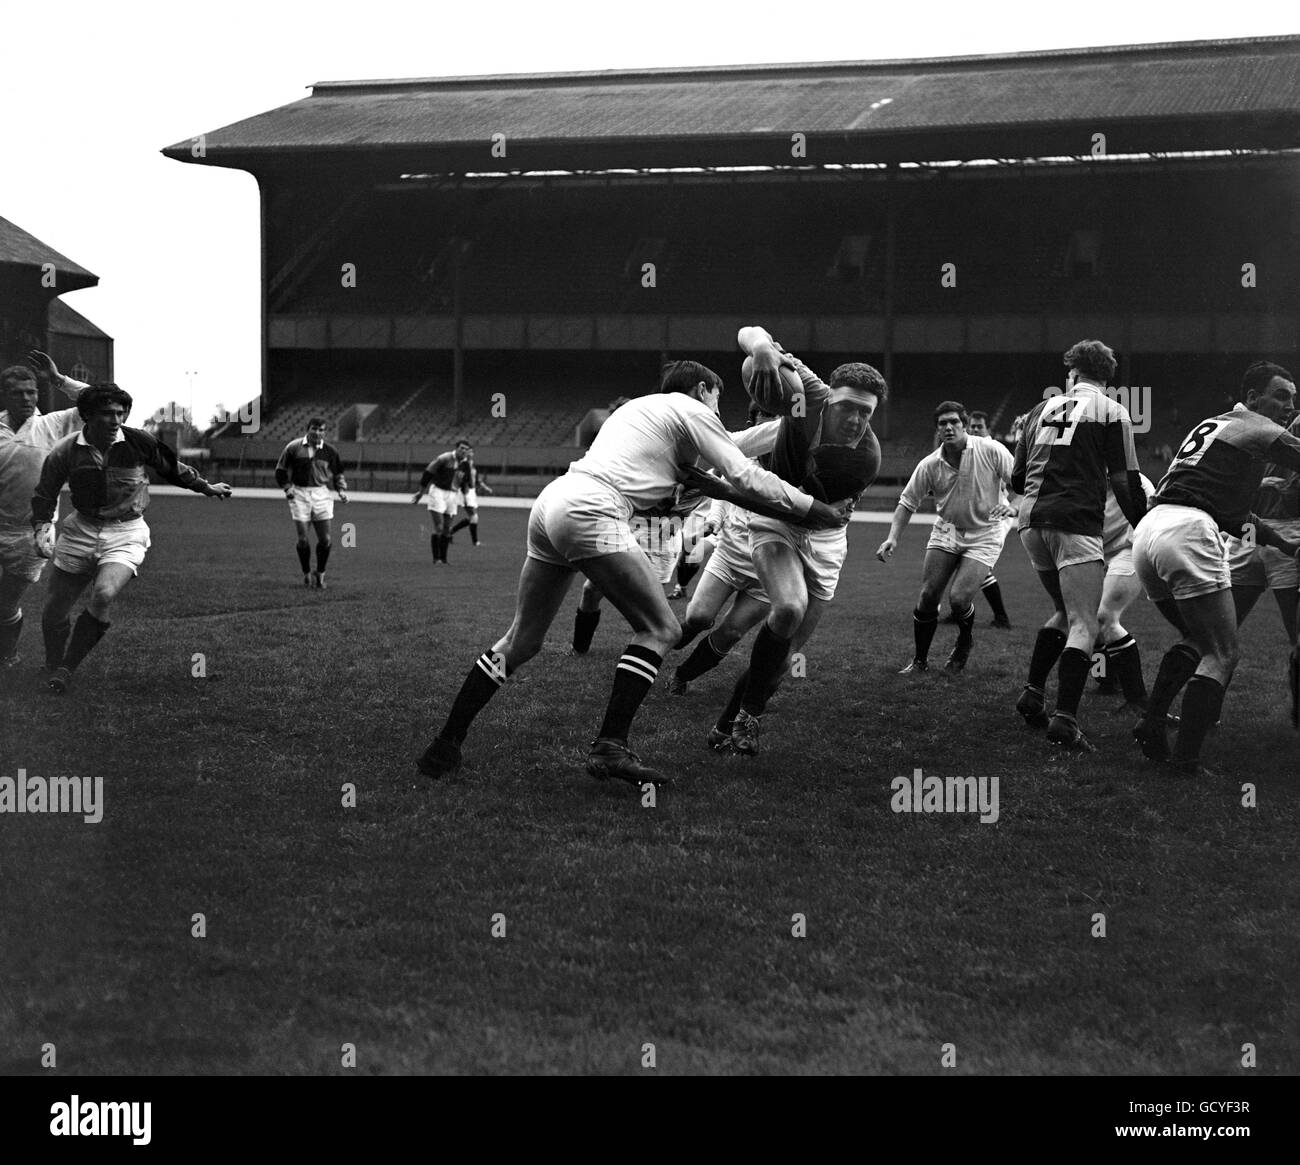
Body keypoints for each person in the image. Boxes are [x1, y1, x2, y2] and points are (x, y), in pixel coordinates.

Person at [415, 360, 848, 787]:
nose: (719, 410)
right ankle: (610, 746)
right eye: (718, 398)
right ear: (702, 389)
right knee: (661, 629)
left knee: (522, 640)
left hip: (553, 504)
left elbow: (739, 443)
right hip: (594, 511)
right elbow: (742, 471)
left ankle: (446, 742)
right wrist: (814, 508)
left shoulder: (640, 413)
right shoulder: (693, 410)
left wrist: (805, 419)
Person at [713, 326, 884, 757]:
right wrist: (764, 353)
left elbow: (819, 515)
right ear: (829, 399)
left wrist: (717, 488)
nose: (856, 420)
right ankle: (747, 723)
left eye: (866, 413)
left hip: (825, 536)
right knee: (788, 607)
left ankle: (729, 723)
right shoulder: (807, 392)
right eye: (847, 408)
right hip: (777, 523)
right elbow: (750, 332)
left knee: (785, 658)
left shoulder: (863, 459)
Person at [1131, 362, 1300, 775]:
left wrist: (1282, 543)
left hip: (1150, 533)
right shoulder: (1257, 428)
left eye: (1294, 400)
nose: (1290, 407)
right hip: (1188, 531)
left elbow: (1233, 514)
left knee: (1197, 636)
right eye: (1282, 396)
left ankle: (1151, 722)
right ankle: (1186, 761)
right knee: (1223, 652)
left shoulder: (1214, 428)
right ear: (1254, 397)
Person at [30, 383, 233, 694]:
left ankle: (65, 670)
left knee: (104, 593)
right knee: (55, 609)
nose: (115, 420)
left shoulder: (139, 442)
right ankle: (52, 663)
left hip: (126, 531)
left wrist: (207, 487)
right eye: (107, 413)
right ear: (87, 416)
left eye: (120, 413)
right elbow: (45, 493)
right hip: (81, 529)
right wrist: (42, 526)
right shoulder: (66, 451)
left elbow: (173, 469)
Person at [1012, 339, 1146, 752]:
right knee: (1086, 622)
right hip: (1075, 522)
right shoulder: (1113, 411)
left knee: (1063, 612)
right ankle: (1065, 721)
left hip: (1030, 522)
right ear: (1108, 377)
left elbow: (1017, 478)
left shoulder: (1039, 410)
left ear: (1071, 373)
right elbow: (1125, 479)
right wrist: (1143, 522)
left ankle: (1033, 692)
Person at [877, 401, 1017, 674]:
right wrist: (892, 538)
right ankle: (919, 661)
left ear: (964, 424)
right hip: (948, 530)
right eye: (943, 423)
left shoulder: (991, 450)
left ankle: (964, 641)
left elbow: (1024, 484)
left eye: (954, 421)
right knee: (928, 596)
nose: (949, 427)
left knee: (959, 598)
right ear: (937, 429)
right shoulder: (930, 464)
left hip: (985, 532)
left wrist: (1014, 506)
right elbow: (907, 503)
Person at [0, 352, 85, 669]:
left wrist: (60, 379)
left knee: (5, 602)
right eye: (17, 392)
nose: (25, 397)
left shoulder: (56, 424)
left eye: (31, 391)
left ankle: (7, 656)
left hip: (30, 535)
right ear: (5, 394)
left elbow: (100, 403)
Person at [1092, 474, 1158, 711]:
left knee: (1105, 617)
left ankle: (1137, 698)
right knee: (1086, 620)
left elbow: (1155, 517)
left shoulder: (1137, 483)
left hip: (1128, 549)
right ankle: (1105, 680)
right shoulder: (1086, 477)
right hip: (1092, 552)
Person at [275, 418, 348, 588]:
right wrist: (287, 487)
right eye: (314, 428)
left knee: (326, 539)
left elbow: (339, 473)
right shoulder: (293, 447)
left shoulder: (330, 451)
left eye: (321, 430)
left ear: (325, 432)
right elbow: (280, 470)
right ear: (307, 429)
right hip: (299, 494)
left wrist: (341, 491)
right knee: (302, 539)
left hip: (321, 494)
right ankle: (306, 572)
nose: (317, 432)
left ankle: (320, 573)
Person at [415, 440, 469, 564]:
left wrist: (465, 496)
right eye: (461, 448)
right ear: (456, 448)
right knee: (438, 527)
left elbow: (464, 481)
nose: (464, 451)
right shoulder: (444, 458)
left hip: (452, 494)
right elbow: (428, 472)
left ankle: (444, 559)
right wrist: (421, 492)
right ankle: (436, 559)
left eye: (466, 449)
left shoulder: (465, 464)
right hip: (438, 491)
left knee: (447, 528)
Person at [449, 445, 493, 547]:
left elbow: (476, 479)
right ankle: (475, 542)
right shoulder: (464, 464)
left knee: (472, 518)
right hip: (466, 492)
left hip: (472, 492)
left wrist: (485, 487)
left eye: (472, 452)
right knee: (474, 516)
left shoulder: (471, 464)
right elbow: (460, 478)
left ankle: (450, 532)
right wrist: (463, 491)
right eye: (468, 452)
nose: (470, 453)